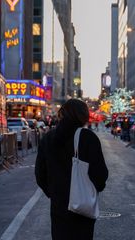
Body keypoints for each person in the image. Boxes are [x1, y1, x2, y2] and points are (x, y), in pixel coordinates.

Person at [35, 99, 108, 240]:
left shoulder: (48, 139)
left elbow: (40, 175)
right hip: (83, 207)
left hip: (59, 206)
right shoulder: (88, 138)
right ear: (83, 116)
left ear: (62, 114)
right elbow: (101, 175)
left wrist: (55, 193)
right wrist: (93, 189)